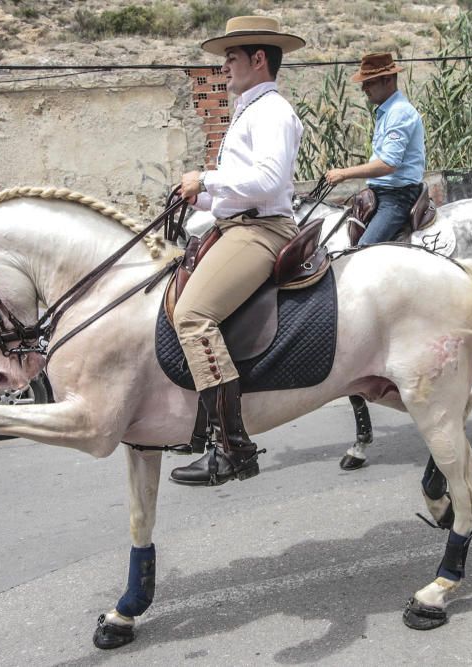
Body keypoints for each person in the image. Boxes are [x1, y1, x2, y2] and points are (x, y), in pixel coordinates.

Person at [169, 16, 305, 487]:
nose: (224, 66)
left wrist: (206, 179)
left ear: (258, 59)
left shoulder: (272, 112)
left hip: (262, 231)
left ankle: (232, 449)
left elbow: (268, 182)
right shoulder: (250, 110)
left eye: (231, 56)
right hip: (237, 224)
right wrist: (203, 196)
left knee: (192, 316)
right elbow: (240, 191)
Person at [325, 52, 426, 245]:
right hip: (383, 194)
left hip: (397, 198)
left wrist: (344, 174)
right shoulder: (388, 111)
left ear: (388, 80)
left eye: (369, 82)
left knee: (363, 251)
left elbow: (388, 164)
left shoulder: (399, 112)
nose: (364, 88)